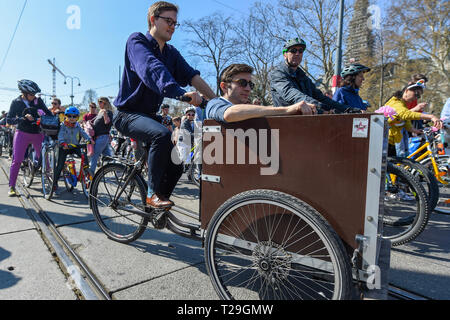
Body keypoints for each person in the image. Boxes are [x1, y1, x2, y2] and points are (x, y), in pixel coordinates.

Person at [113, 1, 216, 209]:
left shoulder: (171, 53)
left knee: (177, 162)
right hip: (126, 114)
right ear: (153, 19)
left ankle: (158, 208)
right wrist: (181, 94)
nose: (172, 26)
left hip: (149, 116)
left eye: (175, 23)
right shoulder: (137, 41)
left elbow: (191, 75)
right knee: (160, 134)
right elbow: (152, 70)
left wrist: (215, 101)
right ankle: (151, 196)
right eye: (168, 21)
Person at [270, 38, 359, 114]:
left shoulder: (303, 77)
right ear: (285, 54)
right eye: (293, 51)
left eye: (300, 51)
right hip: (285, 122)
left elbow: (321, 97)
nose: (297, 53)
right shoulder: (277, 74)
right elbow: (293, 94)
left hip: (305, 122)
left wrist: (347, 109)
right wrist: (319, 106)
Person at [206, 63, 316, 124]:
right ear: (224, 87)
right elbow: (229, 114)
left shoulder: (248, 109)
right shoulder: (214, 104)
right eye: (242, 83)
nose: (248, 89)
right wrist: (287, 109)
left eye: (251, 84)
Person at [6, 80, 52, 196]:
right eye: (32, 94)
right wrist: (22, 118)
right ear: (24, 93)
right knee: (17, 160)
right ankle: (12, 186)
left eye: (35, 94)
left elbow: (48, 113)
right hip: (22, 133)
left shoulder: (38, 101)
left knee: (45, 159)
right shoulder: (16, 102)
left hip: (38, 133)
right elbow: (9, 120)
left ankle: (51, 182)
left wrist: (53, 117)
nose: (34, 96)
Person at [385, 80, 442, 157]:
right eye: (416, 94)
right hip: (386, 142)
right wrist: (431, 116)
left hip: (393, 141)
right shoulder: (396, 102)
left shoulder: (403, 104)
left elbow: (404, 119)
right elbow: (405, 114)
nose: (416, 98)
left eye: (418, 96)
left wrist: (414, 130)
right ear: (406, 91)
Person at [52, 107, 94, 192]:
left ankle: (86, 171)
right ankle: (55, 183)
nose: (72, 118)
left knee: (84, 155)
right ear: (66, 116)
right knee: (60, 165)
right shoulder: (63, 125)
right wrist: (63, 143)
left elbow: (83, 133)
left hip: (75, 146)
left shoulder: (77, 125)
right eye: (69, 116)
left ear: (77, 118)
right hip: (64, 147)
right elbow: (60, 135)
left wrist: (89, 139)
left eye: (74, 116)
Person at [89, 97, 114, 175]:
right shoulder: (100, 112)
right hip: (101, 138)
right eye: (98, 102)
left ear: (105, 103)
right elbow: (99, 125)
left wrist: (105, 114)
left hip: (102, 138)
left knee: (94, 156)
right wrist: (91, 124)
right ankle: (118, 170)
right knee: (109, 158)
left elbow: (107, 123)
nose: (98, 103)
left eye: (100, 102)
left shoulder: (108, 112)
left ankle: (91, 176)